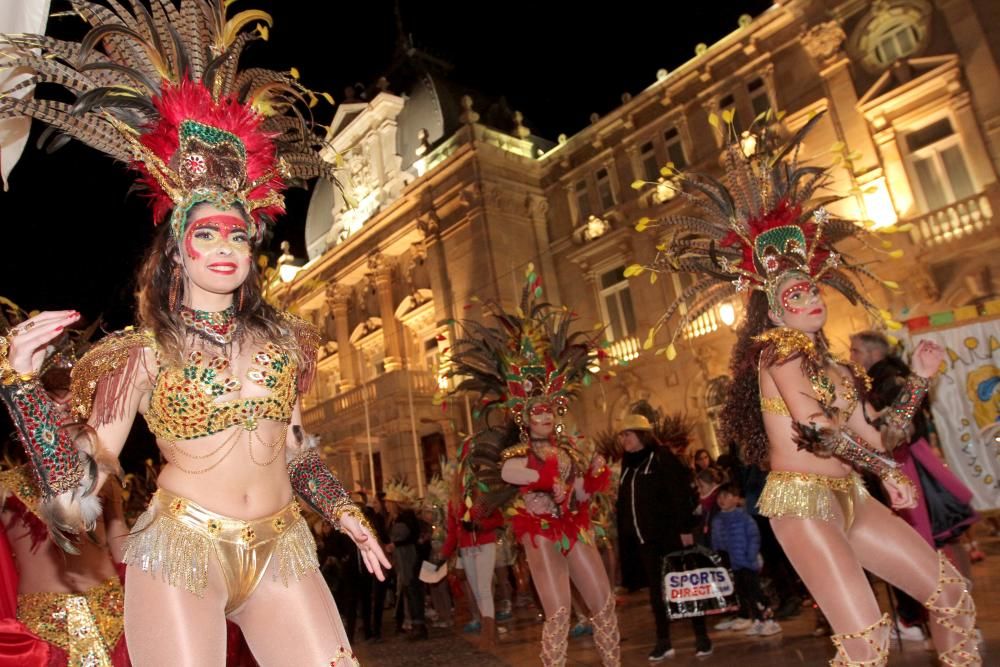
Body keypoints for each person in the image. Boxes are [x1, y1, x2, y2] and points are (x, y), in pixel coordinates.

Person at [0, 4, 391, 665]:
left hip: (284, 546)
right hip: (182, 551)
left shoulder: (287, 342)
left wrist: (344, 511)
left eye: (236, 234)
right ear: (176, 251)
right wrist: (21, 385)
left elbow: (297, 452)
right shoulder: (141, 353)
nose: (223, 246)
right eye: (204, 233)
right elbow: (78, 482)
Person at [635, 113, 980, 666]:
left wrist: (919, 380)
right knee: (865, 641)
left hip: (853, 499)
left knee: (954, 597)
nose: (808, 296)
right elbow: (816, 431)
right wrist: (889, 473)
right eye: (793, 292)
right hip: (803, 502)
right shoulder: (778, 351)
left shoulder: (841, 372)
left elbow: (883, 435)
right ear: (773, 308)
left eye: (810, 286)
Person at [445, 269, 620, 666]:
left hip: (573, 527)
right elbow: (511, 476)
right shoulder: (518, 454)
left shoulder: (569, 450)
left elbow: (577, 495)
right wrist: (546, 478)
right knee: (558, 610)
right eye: (535, 410)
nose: (543, 414)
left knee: (604, 603)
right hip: (539, 532)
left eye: (548, 409)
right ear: (525, 418)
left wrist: (592, 477)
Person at [615, 414, 712, 661]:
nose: (623, 439)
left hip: (670, 536)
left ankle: (701, 636)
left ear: (641, 434)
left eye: (627, 433)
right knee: (656, 592)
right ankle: (663, 640)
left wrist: (685, 530)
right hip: (644, 540)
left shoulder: (661, 457)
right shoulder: (628, 464)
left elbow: (679, 493)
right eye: (622, 435)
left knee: (685, 586)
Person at [711, 482, 782, 637]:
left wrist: (751, 556)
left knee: (756, 592)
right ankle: (757, 619)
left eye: (726, 496)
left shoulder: (744, 517)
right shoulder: (718, 519)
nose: (721, 500)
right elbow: (717, 541)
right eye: (719, 497)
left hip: (747, 561)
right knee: (744, 592)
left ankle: (769, 621)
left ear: (736, 499)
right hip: (733, 563)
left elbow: (754, 537)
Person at [385, 481, 427, 641]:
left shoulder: (407, 517)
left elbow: (411, 536)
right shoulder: (394, 519)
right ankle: (414, 624)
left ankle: (419, 625)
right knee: (408, 592)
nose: (387, 507)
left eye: (389, 504)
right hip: (402, 559)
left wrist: (395, 544)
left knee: (414, 591)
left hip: (409, 558)